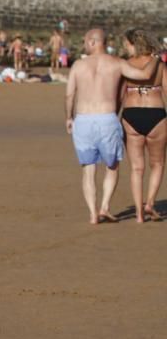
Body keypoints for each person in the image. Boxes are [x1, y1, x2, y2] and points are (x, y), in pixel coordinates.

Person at [65, 28, 157, 225]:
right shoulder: (117, 63)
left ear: (92, 42)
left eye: (84, 41)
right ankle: (105, 207)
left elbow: (70, 94)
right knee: (112, 166)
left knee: (88, 169)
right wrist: (156, 57)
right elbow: (144, 74)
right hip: (107, 118)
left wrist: (68, 117)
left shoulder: (79, 65)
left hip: (83, 118)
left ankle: (92, 213)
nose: (83, 45)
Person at [119, 28, 166, 223]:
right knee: (157, 164)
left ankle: (138, 213)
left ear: (133, 44)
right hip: (156, 113)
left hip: (131, 114)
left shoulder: (126, 64)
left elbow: (120, 93)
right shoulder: (160, 66)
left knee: (137, 168)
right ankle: (150, 203)